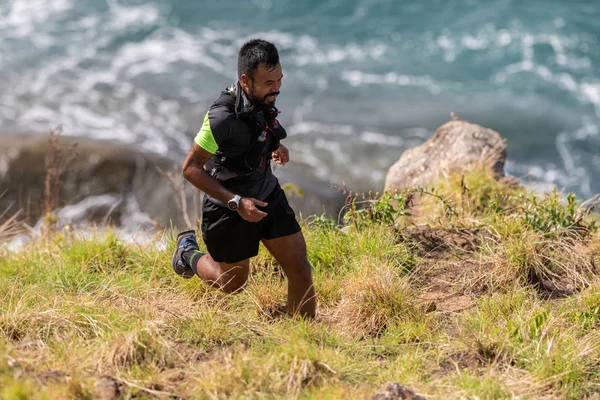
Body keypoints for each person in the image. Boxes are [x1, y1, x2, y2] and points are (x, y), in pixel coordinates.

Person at [171, 39, 316, 318]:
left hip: (267, 195)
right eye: (268, 82)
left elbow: (257, 129)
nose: (276, 88)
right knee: (232, 284)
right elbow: (190, 168)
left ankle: (306, 342)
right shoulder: (221, 118)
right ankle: (187, 254)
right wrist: (237, 202)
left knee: (300, 268)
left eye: (279, 79)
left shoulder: (262, 98)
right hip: (228, 207)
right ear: (245, 81)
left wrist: (275, 146)